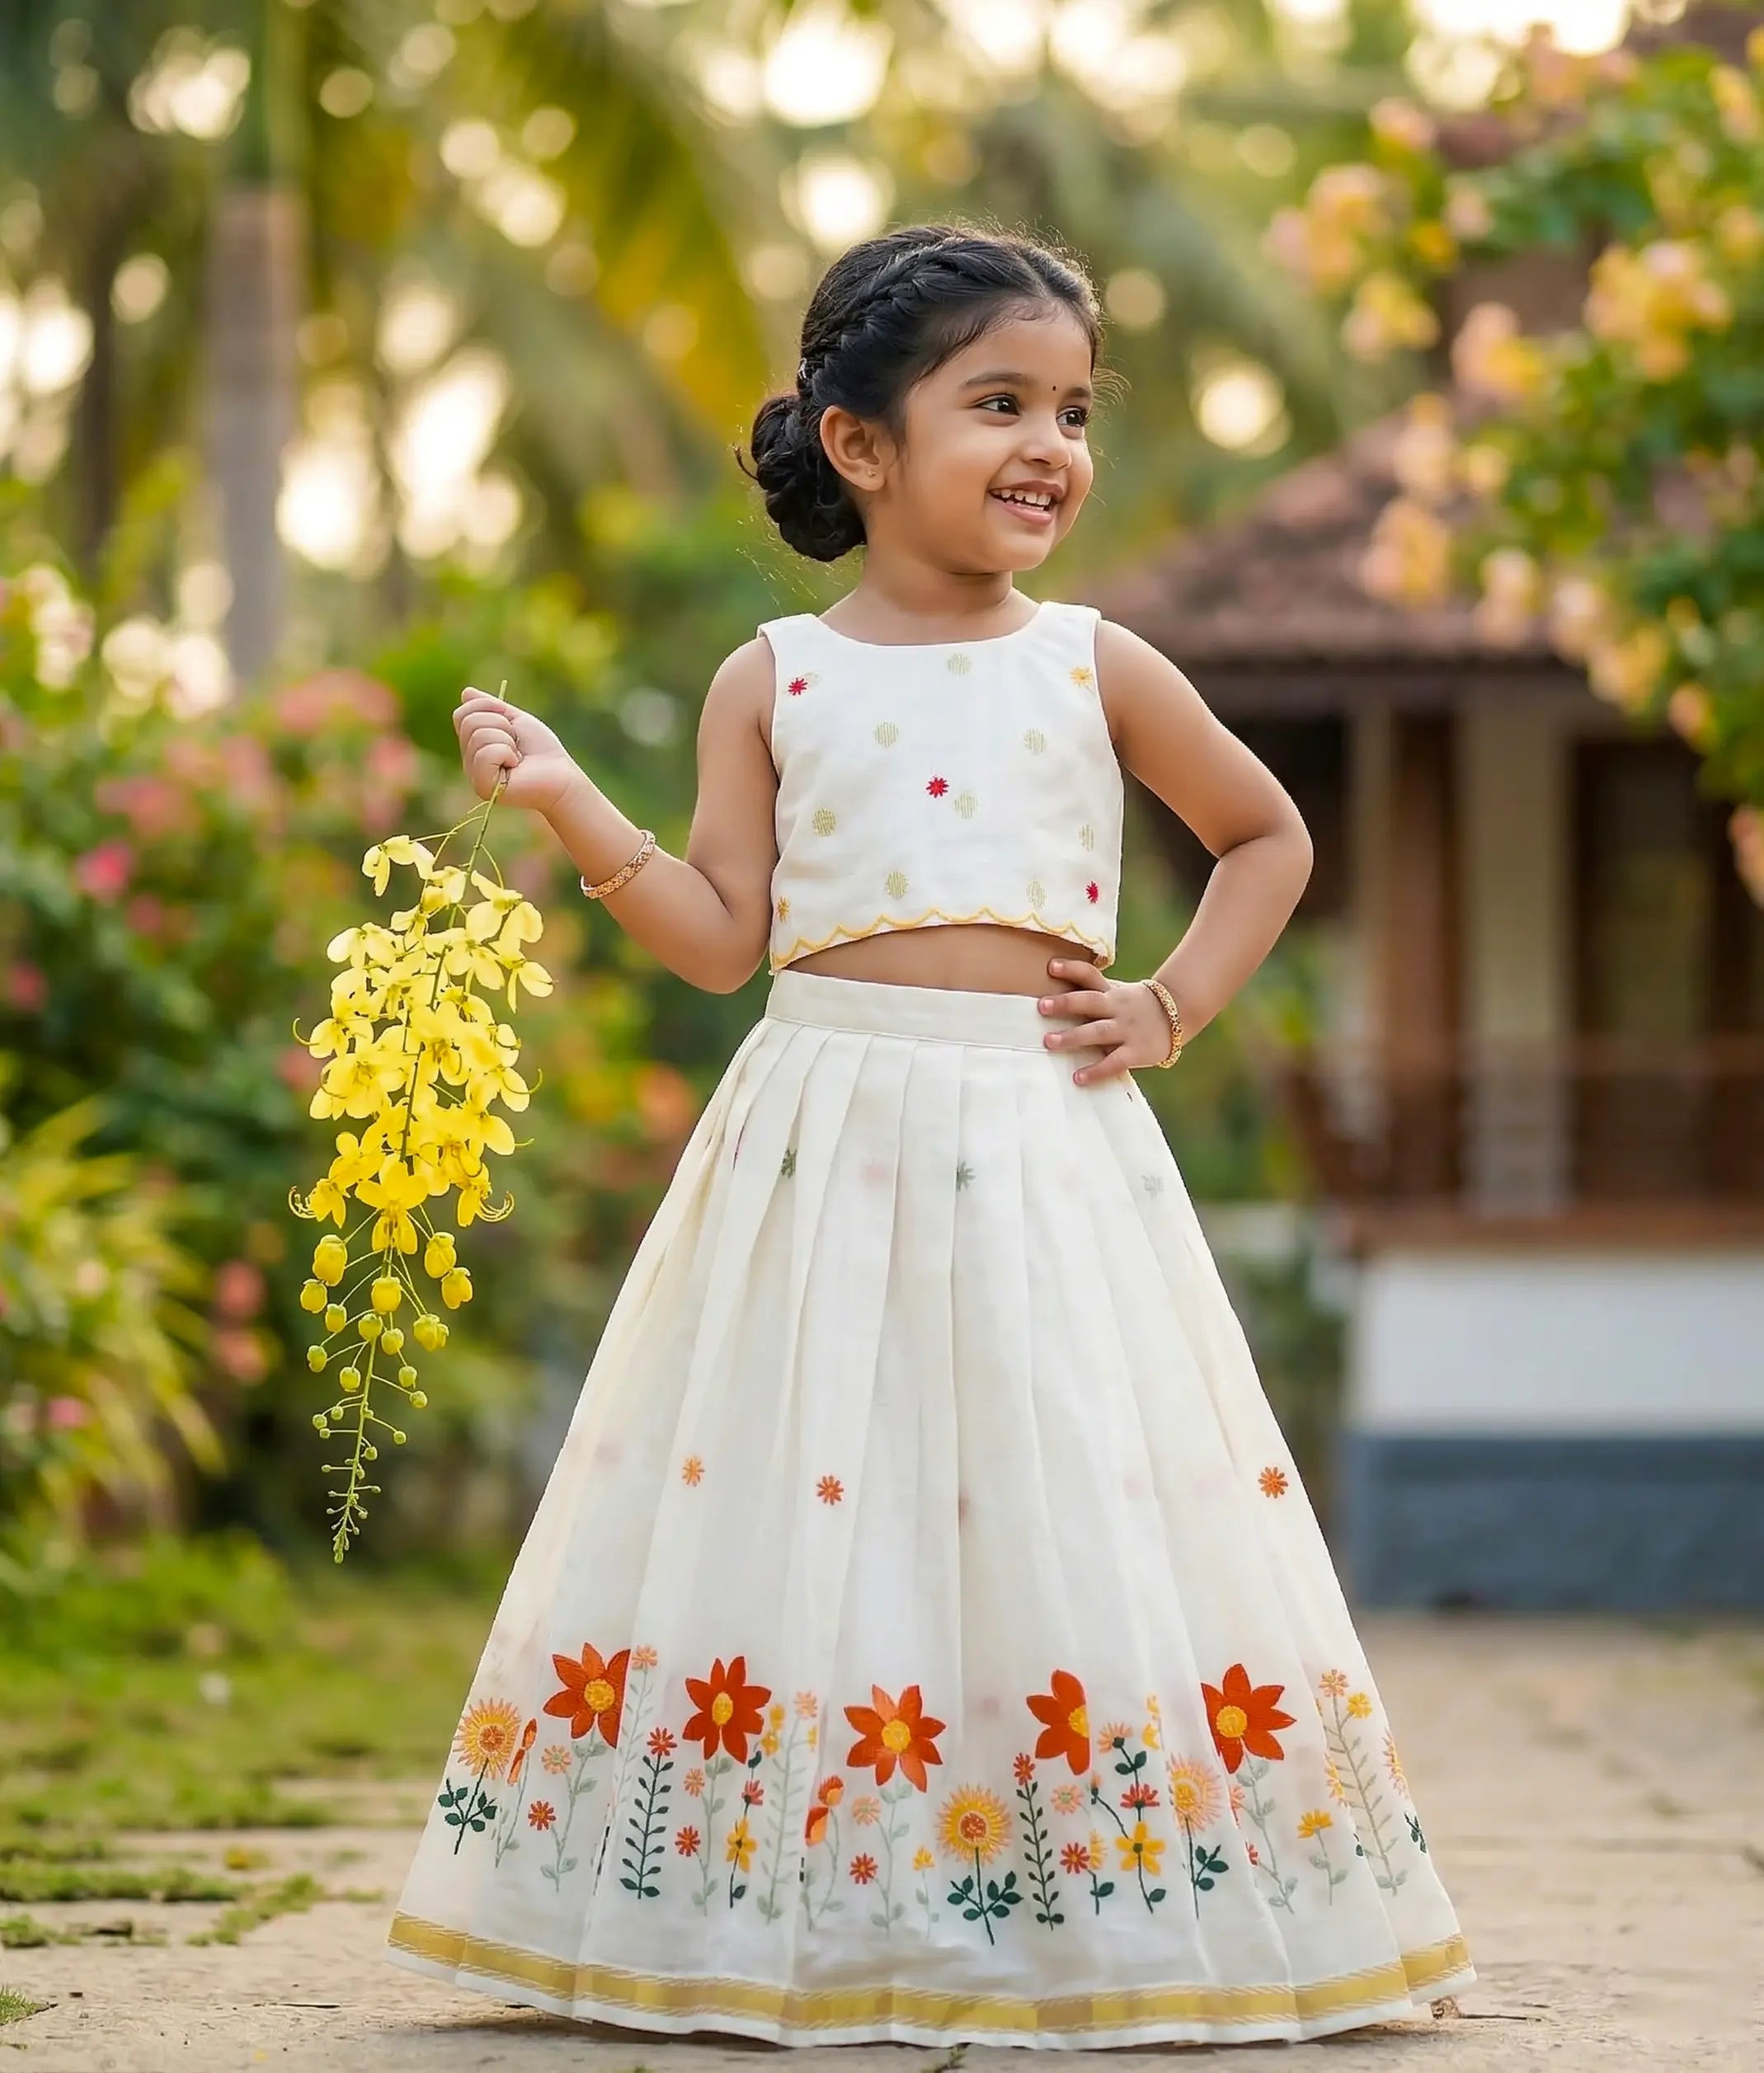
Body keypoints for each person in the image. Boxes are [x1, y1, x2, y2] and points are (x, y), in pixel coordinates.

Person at [385, 223, 1473, 2048]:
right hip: (817, 1135)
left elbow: (1263, 836)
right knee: (826, 1499)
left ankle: (1077, 1898)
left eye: (1067, 407)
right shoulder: (772, 680)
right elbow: (722, 938)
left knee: (1057, 1490)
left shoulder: (1094, 665)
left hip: (1044, 1140)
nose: (1049, 440)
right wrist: (575, 801)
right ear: (860, 443)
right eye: (997, 402)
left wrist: (1169, 1005)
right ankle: (793, 1898)